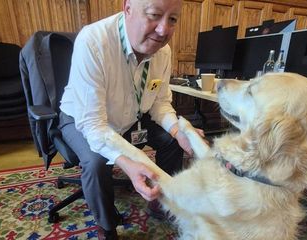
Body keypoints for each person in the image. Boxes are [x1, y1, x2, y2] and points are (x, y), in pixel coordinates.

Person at [59, 0, 204, 239]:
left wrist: (179, 131)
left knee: (170, 141)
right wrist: (126, 163)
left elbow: (159, 102)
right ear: (128, 8)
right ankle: (106, 228)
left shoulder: (163, 52)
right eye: (154, 15)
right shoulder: (93, 41)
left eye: (173, 20)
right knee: (96, 162)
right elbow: (94, 125)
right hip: (83, 119)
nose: (163, 30)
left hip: (133, 116)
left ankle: (161, 203)